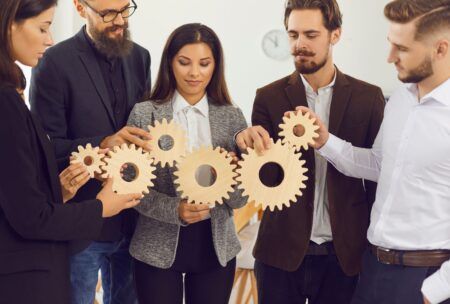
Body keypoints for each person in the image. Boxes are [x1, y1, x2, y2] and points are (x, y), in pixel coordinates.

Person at [296, 0, 450, 303]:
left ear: (441, 49)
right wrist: (326, 141)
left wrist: (434, 292)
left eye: (402, 49)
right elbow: (380, 165)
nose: (390, 57)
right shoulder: (400, 100)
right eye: (390, 44)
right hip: (373, 270)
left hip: (425, 278)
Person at [235, 0, 385, 303]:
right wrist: (243, 140)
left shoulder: (369, 98)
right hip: (280, 253)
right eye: (293, 35)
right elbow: (265, 176)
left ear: (335, 35)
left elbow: (378, 176)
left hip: (345, 256)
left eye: (311, 35)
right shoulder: (268, 97)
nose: (299, 44)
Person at [0, 1, 141, 303]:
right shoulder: (51, 63)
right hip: (76, 222)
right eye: (107, 13)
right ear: (80, 7)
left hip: (128, 218)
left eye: (124, 9)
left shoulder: (140, 57)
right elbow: (46, 149)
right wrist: (103, 145)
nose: (119, 21)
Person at [126, 23, 247, 304]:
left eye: (204, 64)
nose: (194, 73)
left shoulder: (232, 117)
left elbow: (240, 200)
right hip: (155, 245)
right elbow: (130, 188)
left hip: (216, 247)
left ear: (215, 66)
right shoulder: (145, 114)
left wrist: (232, 174)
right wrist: (175, 209)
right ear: (170, 63)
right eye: (184, 62)